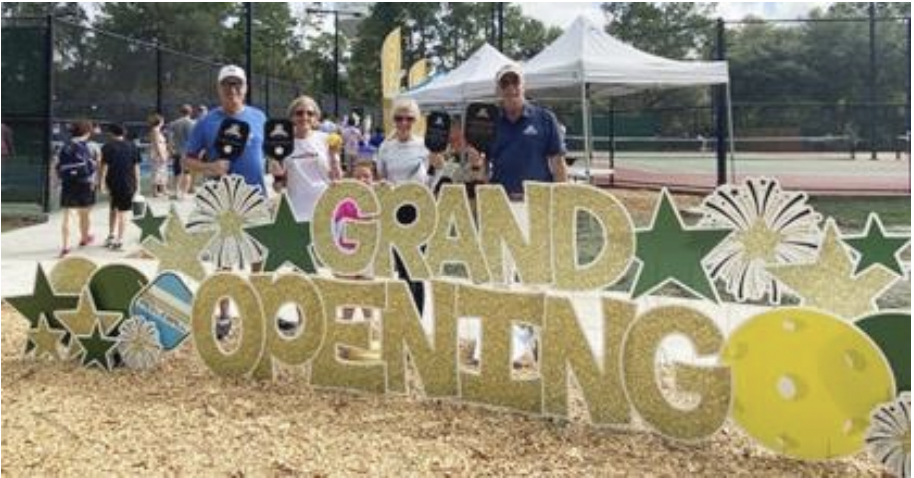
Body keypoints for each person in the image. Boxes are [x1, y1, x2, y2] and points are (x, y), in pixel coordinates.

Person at [182, 64, 267, 339]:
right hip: (223, 200)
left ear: (245, 87)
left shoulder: (259, 117)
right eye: (227, 85)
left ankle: (259, 307)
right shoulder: (206, 122)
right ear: (219, 89)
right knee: (225, 260)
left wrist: (279, 169)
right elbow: (186, 160)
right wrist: (210, 168)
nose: (233, 90)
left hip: (255, 197)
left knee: (258, 256)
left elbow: (270, 152)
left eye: (237, 84)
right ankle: (224, 314)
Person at [376, 98, 444, 314]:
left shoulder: (426, 146)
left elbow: (435, 179)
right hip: (395, 211)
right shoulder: (385, 147)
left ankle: (417, 320)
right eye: (399, 118)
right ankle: (405, 319)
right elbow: (381, 179)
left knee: (415, 269)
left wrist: (437, 166)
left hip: (419, 211)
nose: (404, 123)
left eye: (409, 118)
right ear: (393, 120)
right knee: (401, 270)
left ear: (416, 121)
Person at [476, 64, 567, 198]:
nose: (510, 87)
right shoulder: (489, 122)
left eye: (515, 81)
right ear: (498, 90)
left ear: (524, 86)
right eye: (504, 83)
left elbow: (558, 163)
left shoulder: (545, 118)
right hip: (500, 203)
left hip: (538, 200)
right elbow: (483, 164)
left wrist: (561, 200)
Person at [269, 95, 341, 222]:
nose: (305, 117)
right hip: (297, 213)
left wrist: (334, 157)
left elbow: (337, 178)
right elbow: (278, 187)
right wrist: (277, 175)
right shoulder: (282, 146)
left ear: (316, 118)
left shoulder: (326, 139)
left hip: (326, 209)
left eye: (310, 113)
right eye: (299, 113)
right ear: (292, 117)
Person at [55, 119, 98, 257]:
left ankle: (66, 246)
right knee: (84, 213)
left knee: (68, 214)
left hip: (68, 183)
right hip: (85, 182)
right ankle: (84, 238)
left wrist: (57, 182)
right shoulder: (90, 146)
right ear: (87, 132)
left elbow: (57, 165)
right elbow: (93, 167)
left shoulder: (64, 146)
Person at [99, 123, 141, 250]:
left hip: (113, 182)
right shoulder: (133, 146)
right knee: (124, 212)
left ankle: (111, 235)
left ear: (111, 133)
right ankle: (120, 239)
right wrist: (138, 185)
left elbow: (104, 167)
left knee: (113, 208)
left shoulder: (107, 147)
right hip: (128, 183)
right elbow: (136, 167)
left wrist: (101, 183)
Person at [166, 104, 196, 198]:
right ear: (190, 112)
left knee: (177, 172)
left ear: (180, 112)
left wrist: (170, 149)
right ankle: (184, 193)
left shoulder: (174, 123)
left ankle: (176, 191)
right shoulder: (193, 123)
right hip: (188, 152)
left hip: (177, 151)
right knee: (187, 172)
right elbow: (194, 139)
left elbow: (170, 137)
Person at [147, 113, 170, 198]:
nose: (164, 122)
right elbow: (156, 144)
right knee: (156, 172)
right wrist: (161, 154)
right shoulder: (155, 130)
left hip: (162, 152)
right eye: (162, 120)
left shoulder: (158, 130)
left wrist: (166, 153)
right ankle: (155, 191)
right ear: (159, 121)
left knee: (163, 171)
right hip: (157, 154)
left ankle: (164, 189)